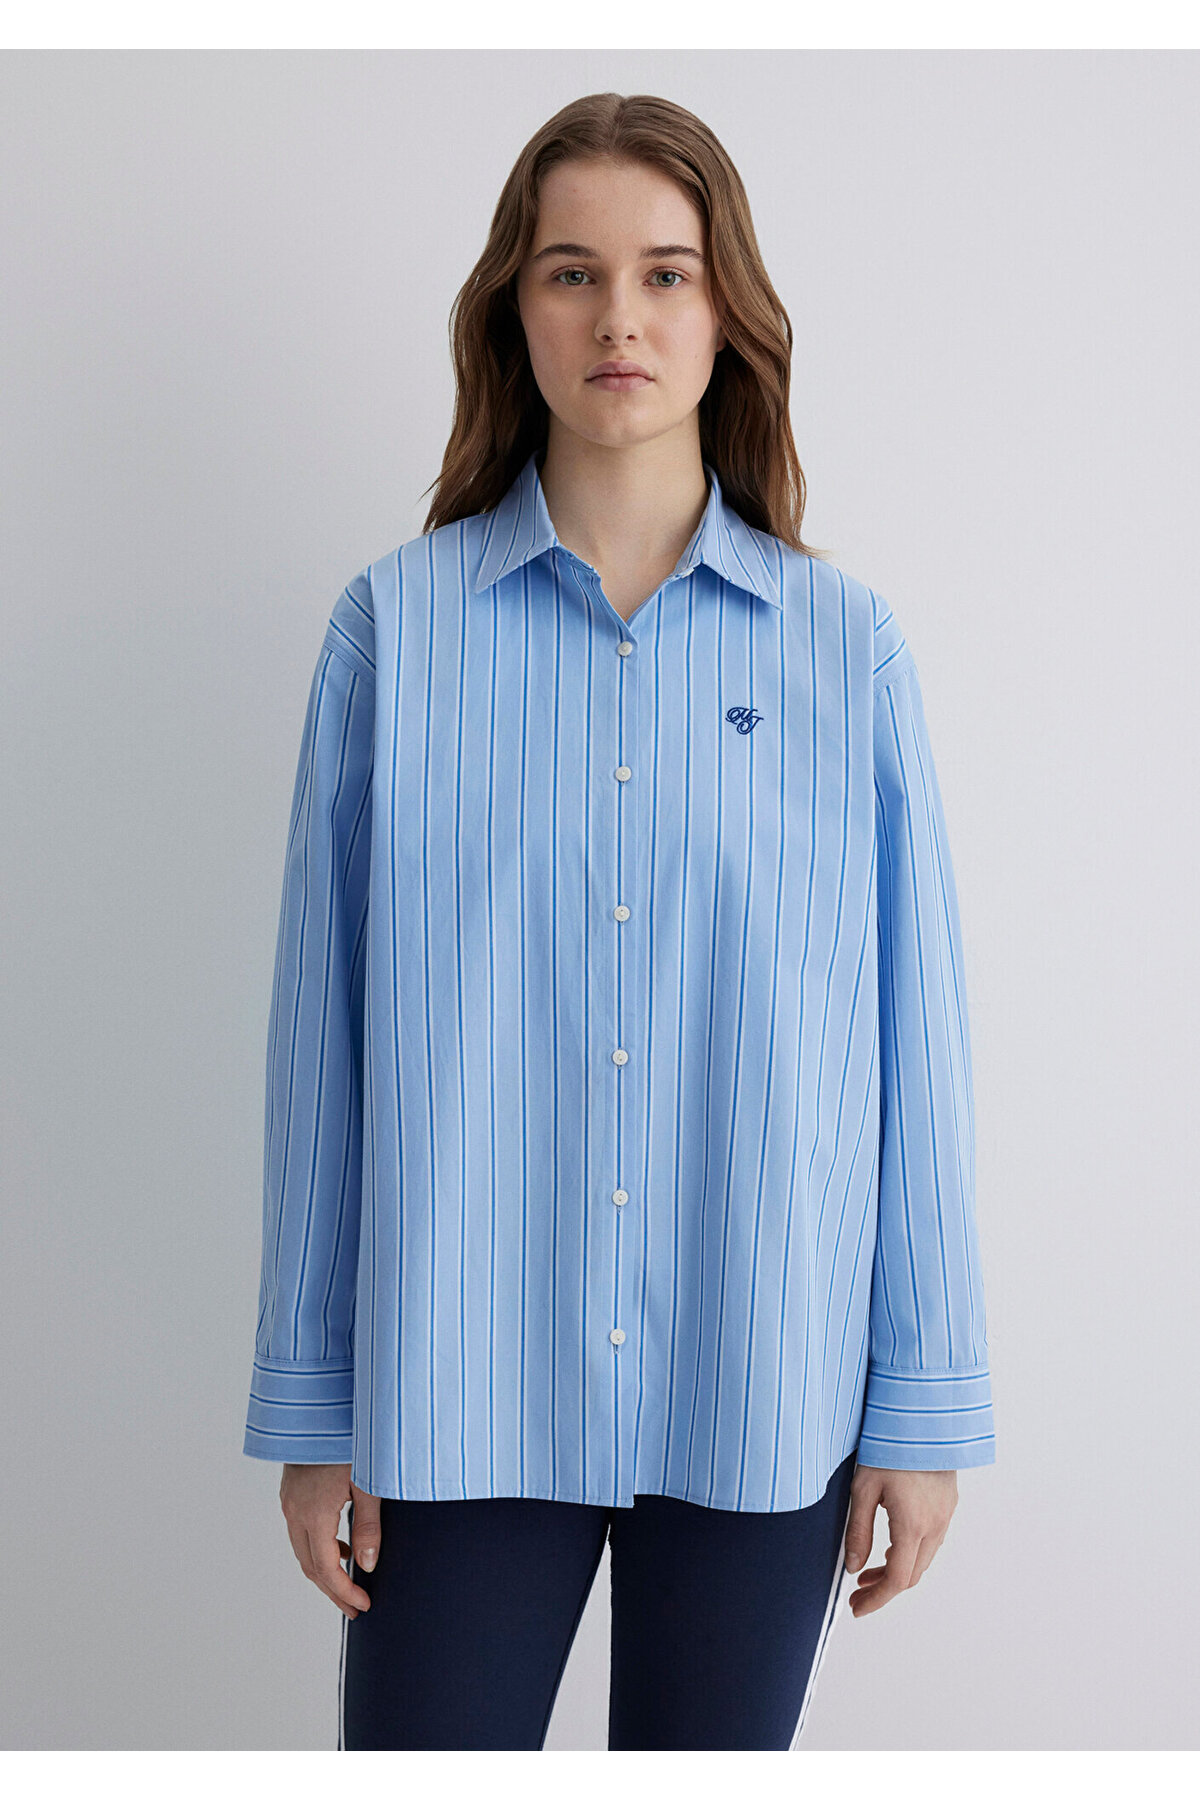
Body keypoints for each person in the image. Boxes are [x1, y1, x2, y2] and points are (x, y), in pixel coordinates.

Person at [243, 91, 995, 1752]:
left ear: (729, 313)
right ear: (513, 310)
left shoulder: (844, 651)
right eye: (571, 273)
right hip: (456, 1393)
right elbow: (321, 1050)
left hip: (764, 1381)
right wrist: (313, 1401)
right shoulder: (395, 636)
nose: (620, 319)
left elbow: (916, 1045)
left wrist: (924, 1403)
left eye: (666, 273)